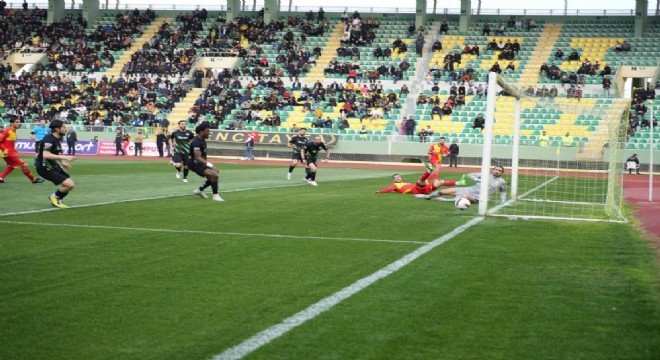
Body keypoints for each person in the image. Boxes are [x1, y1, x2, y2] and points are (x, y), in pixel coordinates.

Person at [416, 165, 507, 205]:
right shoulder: (484, 174)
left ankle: (446, 200)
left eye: (499, 171)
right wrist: (477, 179)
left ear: (502, 172)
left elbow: (503, 192)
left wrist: (503, 202)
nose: (497, 171)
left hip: (479, 198)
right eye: (496, 169)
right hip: (469, 189)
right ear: (493, 170)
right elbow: (469, 174)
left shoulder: (502, 181)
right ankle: (427, 196)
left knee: (464, 197)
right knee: (442, 191)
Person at [36, 120, 76, 208]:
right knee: (70, 184)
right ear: (57, 129)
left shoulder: (57, 139)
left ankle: (56, 198)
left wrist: (63, 162)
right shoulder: (49, 139)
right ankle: (55, 198)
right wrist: (65, 157)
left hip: (53, 165)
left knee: (69, 183)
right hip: (45, 167)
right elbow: (45, 154)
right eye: (64, 127)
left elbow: (56, 153)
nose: (66, 129)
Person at [0, 118, 45, 184]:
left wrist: (14, 148)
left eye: (19, 122)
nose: (19, 123)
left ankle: (0, 177)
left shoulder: (14, 131)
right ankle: (33, 179)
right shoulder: (7, 131)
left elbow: (8, 142)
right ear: (12, 123)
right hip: (8, 153)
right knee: (24, 164)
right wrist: (4, 149)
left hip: (9, 152)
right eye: (17, 122)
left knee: (12, 165)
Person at [189, 122, 223, 201]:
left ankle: (199, 190)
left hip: (199, 163)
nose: (209, 133)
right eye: (207, 131)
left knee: (213, 176)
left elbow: (202, 156)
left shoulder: (202, 140)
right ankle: (215, 196)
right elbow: (197, 157)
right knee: (214, 176)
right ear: (201, 132)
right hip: (194, 163)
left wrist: (207, 166)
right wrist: (211, 165)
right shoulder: (196, 142)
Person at [375, 168, 466, 195]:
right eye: (396, 178)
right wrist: (380, 191)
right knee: (420, 180)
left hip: (424, 189)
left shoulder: (405, 183)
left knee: (440, 182)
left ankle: (459, 182)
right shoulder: (395, 185)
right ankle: (428, 171)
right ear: (394, 180)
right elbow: (388, 189)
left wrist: (427, 183)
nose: (398, 178)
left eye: (399, 177)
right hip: (418, 190)